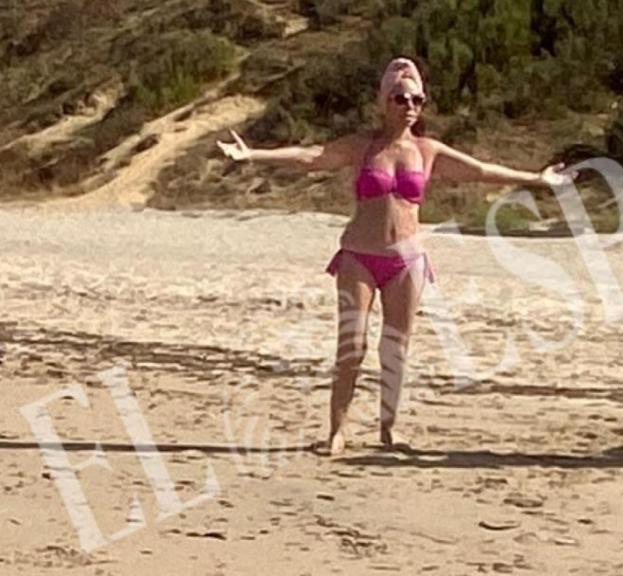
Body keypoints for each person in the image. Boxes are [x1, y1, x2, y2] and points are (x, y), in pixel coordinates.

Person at [217, 57, 576, 454]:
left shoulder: (427, 150)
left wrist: (537, 180)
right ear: (384, 101)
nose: (410, 106)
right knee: (352, 347)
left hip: (407, 260)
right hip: (359, 257)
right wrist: (253, 155)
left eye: (417, 100)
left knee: (396, 348)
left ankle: (389, 429)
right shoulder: (361, 147)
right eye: (401, 98)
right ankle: (337, 431)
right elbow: (311, 157)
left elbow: (479, 170)